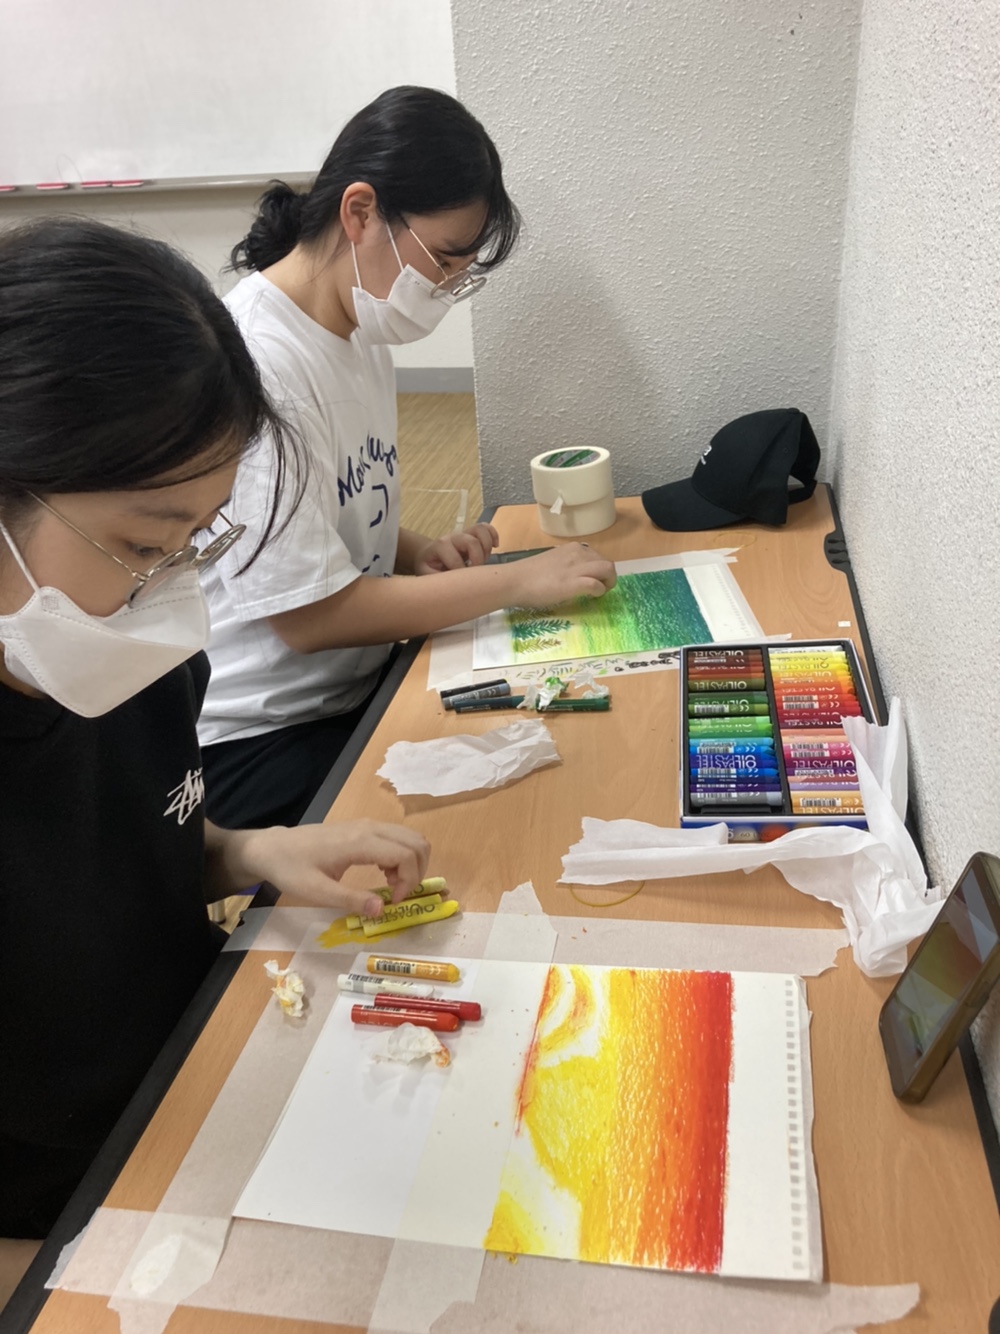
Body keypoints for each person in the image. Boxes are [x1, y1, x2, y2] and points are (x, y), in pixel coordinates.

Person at [0, 217, 430, 1243]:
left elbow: (115, 855)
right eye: (145, 542)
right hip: (60, 1211)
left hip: (197, 1078)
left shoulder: (126, 650)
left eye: (199, 538)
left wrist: (246, 851)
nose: (170, 592)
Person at [199, 85, 617, 829]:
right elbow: (308, 617)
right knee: (507, 816)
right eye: (444, 261)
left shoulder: (356, 332)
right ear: (361, 213)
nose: (447, 288)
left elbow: (335, 507)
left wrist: (416, 549)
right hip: (262, 735)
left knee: (565, 748)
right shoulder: (262, 364)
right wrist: (515, 582)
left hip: (348, 686)